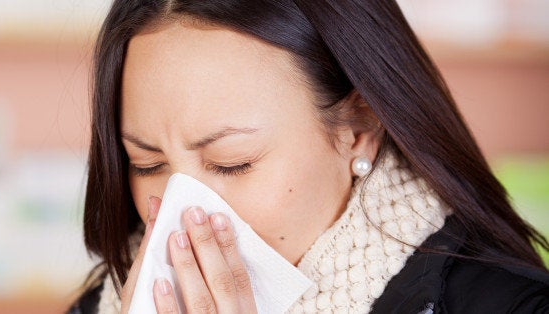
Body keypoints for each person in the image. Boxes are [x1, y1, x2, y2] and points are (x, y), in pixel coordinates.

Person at [68, 0, 549, 313]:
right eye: (146, 164)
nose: (181, 210)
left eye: (232, 161)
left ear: (358, 129)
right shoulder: (104, 303)